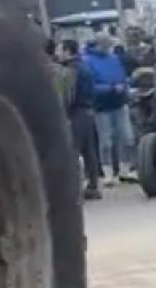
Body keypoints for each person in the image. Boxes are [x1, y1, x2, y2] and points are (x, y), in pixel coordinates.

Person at [83, 34, 136, 183]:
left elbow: (122, 77)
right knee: (106, 141)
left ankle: (124, 169)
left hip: (119, 102)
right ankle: (108, 172)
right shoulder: (88, 61)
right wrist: (111, 88)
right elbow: (90, 86)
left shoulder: (114, 58)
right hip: (102, 106)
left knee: (126, 137)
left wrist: (125, 85)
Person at [58, 39, 103, 200]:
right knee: (89, 151)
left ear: (68, 51)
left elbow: (68, 95)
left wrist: (64, 112)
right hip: (88, 112)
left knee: (73, 150)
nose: (58, 53)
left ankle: (74, 188)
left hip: (76, 113)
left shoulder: (71, 70)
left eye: (60, 49)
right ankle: (93, 185)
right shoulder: (85, 67)